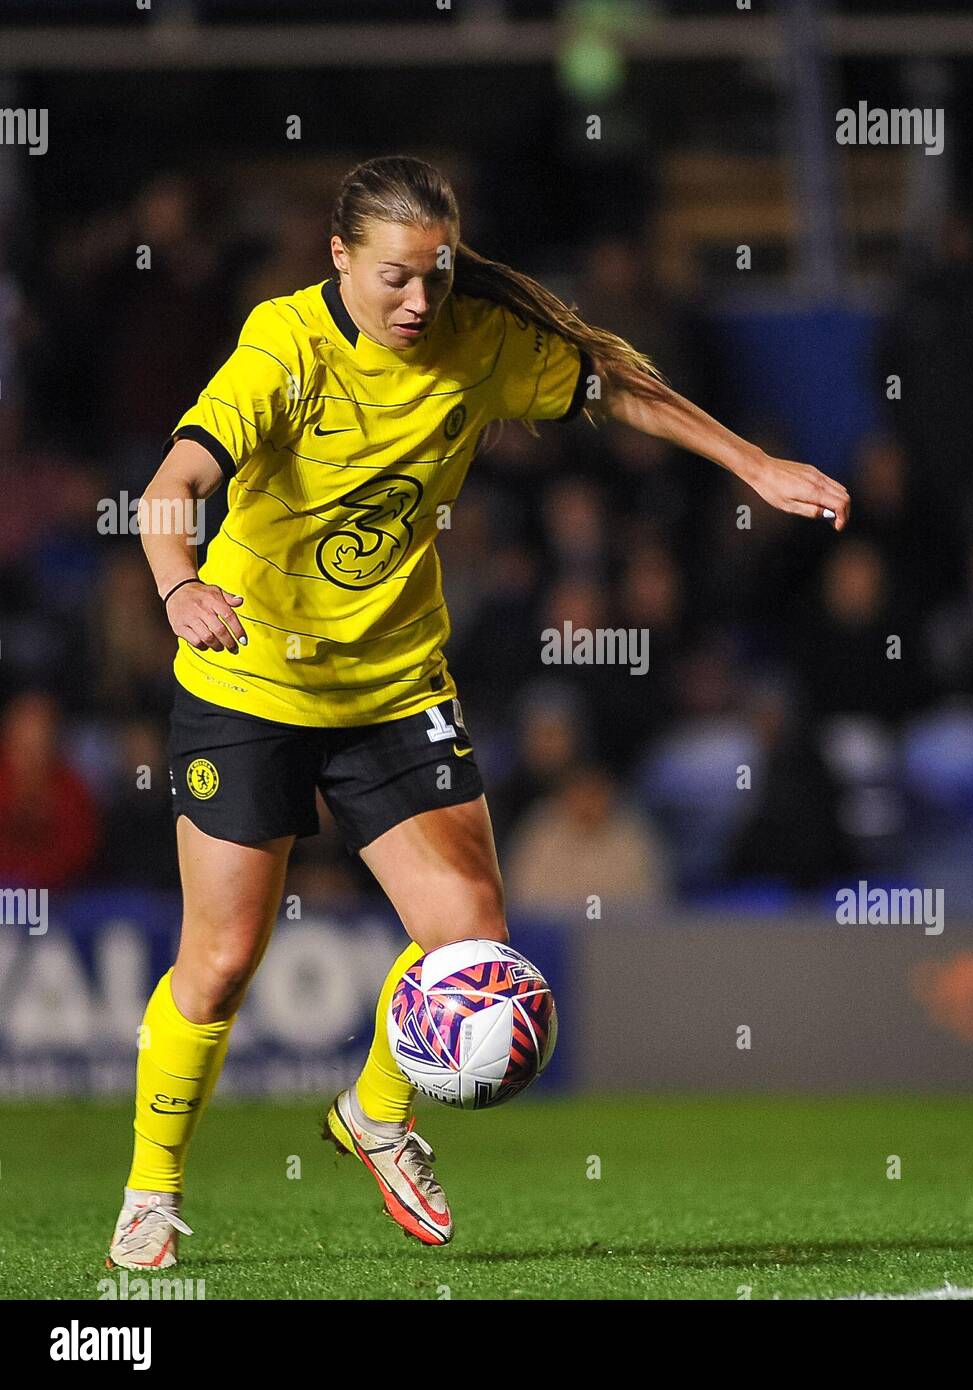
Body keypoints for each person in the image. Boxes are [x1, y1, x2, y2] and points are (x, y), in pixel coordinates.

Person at [110, 154, 849, 1269]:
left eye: (438, 277)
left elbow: (615, 384)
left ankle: (373, 1114)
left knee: (469, 939)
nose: (419, 302)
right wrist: (179, 588)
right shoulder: (283, 346)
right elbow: (169, 492)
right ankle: (151, 1190)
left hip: (395, 684)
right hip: (249, 679)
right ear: (339, 259)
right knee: (218, 963)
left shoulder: (477, 341)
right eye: (396, 277)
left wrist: (751, 465)